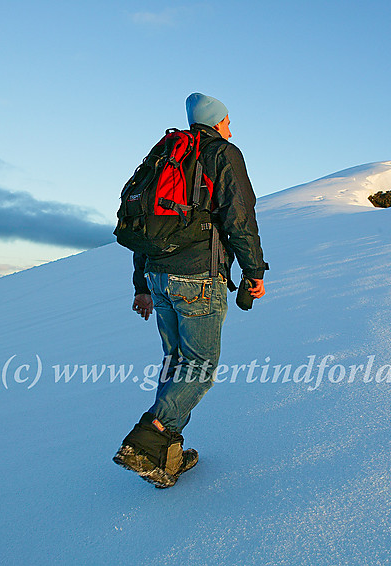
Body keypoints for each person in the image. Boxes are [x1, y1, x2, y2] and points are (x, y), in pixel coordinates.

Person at [113, 93, 268, 488]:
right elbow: (239, 218)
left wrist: (142, 285)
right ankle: (148, 439)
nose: (230, 128)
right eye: (228, 121)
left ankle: (167, 457)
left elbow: (146, 228)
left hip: (158, 277)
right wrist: (254, 271)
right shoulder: (222, 153)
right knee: (199, 366)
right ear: (217, 122)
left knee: (176, 362)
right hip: (199, 277)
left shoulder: (167, 154)